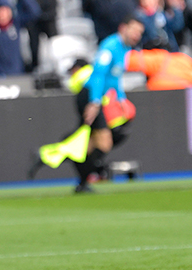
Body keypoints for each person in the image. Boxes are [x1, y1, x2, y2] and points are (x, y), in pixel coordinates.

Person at [29, 15, 145, 193]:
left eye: (140, 32)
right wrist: (95, 102)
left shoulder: (124, 49)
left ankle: (54, 161)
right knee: (103, 143)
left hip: (96, 98)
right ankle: (78, 177)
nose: (137, 35)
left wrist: (120, 98)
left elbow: (114, 79)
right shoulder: (109, 46)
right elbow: (98, 75)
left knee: (85, 143)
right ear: (123, 28)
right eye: (135, 30)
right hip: (89, 96)